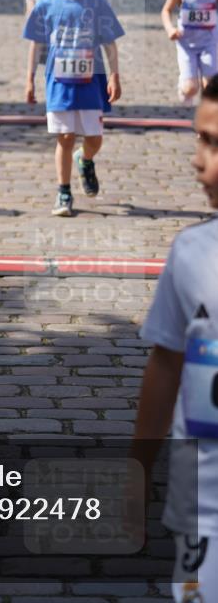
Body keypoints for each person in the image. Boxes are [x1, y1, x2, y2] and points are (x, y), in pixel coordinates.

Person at [132, 75, 218, 603]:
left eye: (214, 143)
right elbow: (165, 366)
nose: (196, 159)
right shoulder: (191, 255)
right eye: (199, 139)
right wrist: (136, 474)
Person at [24, 0, 124, 217]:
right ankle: (64, 191)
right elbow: (35, 43)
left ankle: (86, 158)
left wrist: (114, 76)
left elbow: (110, 43)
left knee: (94, 137)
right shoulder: (47, 5)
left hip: (92, 81)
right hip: (59, 82)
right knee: (65, 137)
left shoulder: (97, 2)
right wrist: (30, 79)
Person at [161, 0, 218, 105]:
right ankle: (184, 88)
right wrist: (170, 28)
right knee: (191, 88)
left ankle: (206, 125)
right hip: (187, 45)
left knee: (211, 88)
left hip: (209, 44)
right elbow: (166, 10)